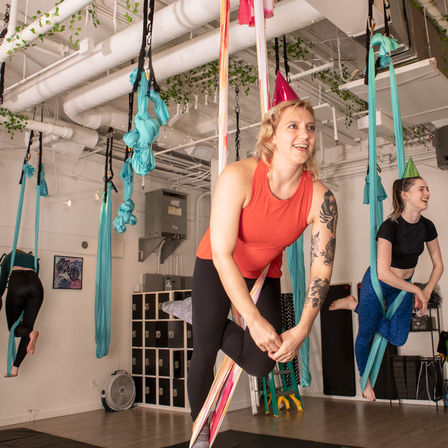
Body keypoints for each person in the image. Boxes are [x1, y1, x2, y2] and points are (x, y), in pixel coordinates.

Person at [164, 99, 337, 448]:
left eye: (311, 127)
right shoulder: (238, 177)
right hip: (217, 265)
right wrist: (252, 319)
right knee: (206, 348)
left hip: (263, 273)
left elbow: (321, 270)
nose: (305, 134)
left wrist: (301, 329)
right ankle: (200, 433)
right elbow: (222, 254)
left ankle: (195, 313)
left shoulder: (321, 199)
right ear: (272, 135)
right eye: (294, 126)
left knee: (261, 363)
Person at [330, 175, 443, 401]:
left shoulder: (426, 226)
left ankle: (355, 305)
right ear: (405, 195)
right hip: (379, 282)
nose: (427, 193)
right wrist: (416, 290)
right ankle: (365, 379)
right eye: (421, 189)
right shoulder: (389, 227)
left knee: (399, 338)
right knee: (365, 334)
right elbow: (383, 272)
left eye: (427, 188)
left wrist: (427, 290)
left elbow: (438, 264)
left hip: (403, 287)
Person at [0, 249, 43, 377]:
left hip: (18, 285)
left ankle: (31, 333)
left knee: (14, 329)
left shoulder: (9, 257)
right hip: (36, 287)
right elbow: (33, 278)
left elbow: (2, 282)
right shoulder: (34, 260)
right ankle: (15, 367)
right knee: (27, 327)